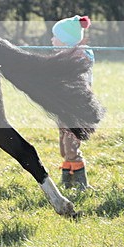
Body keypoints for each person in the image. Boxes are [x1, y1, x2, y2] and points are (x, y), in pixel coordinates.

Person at [51, 15, 94, 190]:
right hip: (63, 107)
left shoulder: (79, 57)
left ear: (65, 40)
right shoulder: (65, 56)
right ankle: (67, 180)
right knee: (64, 146)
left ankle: (81, 182)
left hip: (75, 108)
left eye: (55, 37)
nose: (52, 40)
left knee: (71, 145)